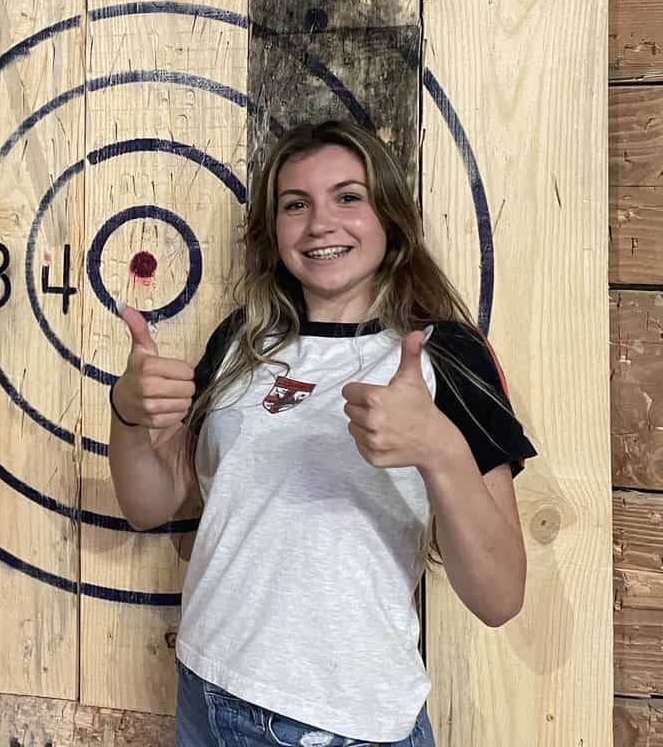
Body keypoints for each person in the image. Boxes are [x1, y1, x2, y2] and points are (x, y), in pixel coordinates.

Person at [107, 119, 539, 747]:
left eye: (348, 197)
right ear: (272, 228)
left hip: (339, 722)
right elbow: (148, 505)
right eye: (295, 205)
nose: (320, 224)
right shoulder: (241, 341)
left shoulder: (441, 355)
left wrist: (439, 451)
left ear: (389, 217)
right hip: (206, 684)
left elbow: (500, 598)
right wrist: (126, 411)